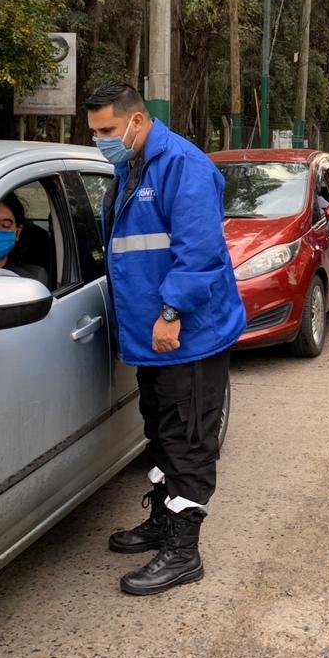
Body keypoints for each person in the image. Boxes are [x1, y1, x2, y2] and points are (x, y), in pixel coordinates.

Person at [86, 82, 246, 596]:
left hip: (187, 334)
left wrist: (171, 311)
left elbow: (199, 251)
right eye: (94, 133)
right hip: (151, 337)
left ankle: (184, 552)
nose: (100, 141)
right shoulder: (131, 166)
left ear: (136, 120)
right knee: (159, 432)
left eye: (107, 130)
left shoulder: (183, 164)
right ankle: (161, 522)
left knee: (188, 440)